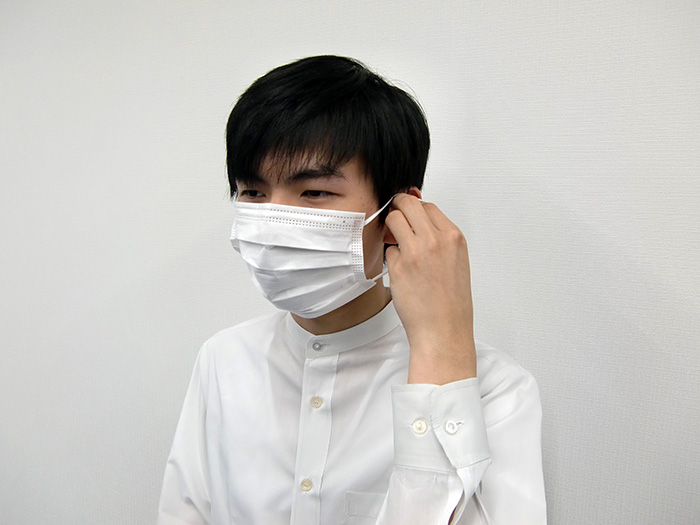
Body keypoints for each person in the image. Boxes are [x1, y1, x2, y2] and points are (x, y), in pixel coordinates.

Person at [157, 55, 546, 524]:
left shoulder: (493, 391)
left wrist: (439, 352)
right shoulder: (223, 360)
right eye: (253, 193)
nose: (275, 221)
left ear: (396, 213)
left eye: (314, 192)